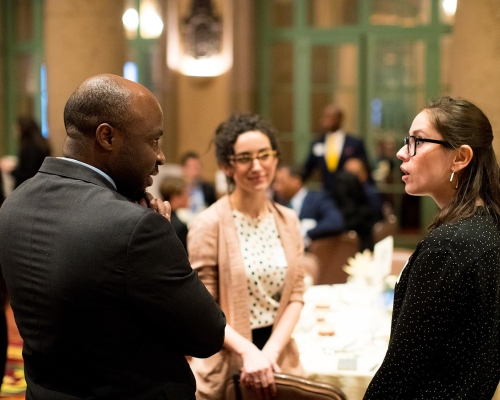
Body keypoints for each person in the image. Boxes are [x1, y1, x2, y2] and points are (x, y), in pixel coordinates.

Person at [0, 74, 226, 400]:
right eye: (153, 141)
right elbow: (208, 335)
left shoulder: (14, 205)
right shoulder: (136, 227)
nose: (161, 157)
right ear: (107, 137)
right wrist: (165, 235)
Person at [363, 97, 500, 399]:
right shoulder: (489, 226)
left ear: (460, 157)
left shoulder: (451, 246)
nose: (401, 153)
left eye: (417, 142)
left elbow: (401, 373)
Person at [188, 114, 305, 399]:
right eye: (244, 158)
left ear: (275, 159)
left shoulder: (288, 219)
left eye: (264, 155)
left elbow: (296, 295)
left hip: (279, 358)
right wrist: (249, 352)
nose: (257, 166)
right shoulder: (208, 224)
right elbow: (205, 309)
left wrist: (270, 353)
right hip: (230, 360)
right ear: (227, 166)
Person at [272, 164, 344, 247]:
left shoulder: (318, 200)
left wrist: (307, 231)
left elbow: (335, 221)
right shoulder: (277, 204)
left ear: (296, 181)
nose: (276, 187)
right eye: (275, 182)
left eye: (281, 182)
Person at [302, 103, 369, 191]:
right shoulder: (317, 142)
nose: (324, 120)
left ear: (339, 119)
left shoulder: (354, 143)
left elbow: (365, 170)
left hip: (349, 193)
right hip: (326, 192)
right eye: (323, 117)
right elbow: (307, 169)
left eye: (329, 117)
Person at [11, 116, 51, 188]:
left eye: (17, 129)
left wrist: (12, 171)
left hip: (28, 188)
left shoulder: (28, 148)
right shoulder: (42, 144)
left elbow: (27, 173)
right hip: (42, 186)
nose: (16, 133)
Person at [342, 157, 384, 223]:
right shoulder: (341, 192)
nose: (350, 178)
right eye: (347, 174)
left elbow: (377, 220)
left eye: (354, 174)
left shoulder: (370, 193)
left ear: (364, 174)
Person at [160, 175, 189, 251]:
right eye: (186, 193)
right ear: (176, 198)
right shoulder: (180, 227)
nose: (188, 197)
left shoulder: (156, 217)